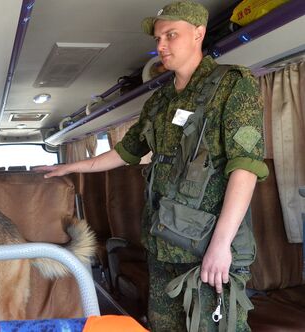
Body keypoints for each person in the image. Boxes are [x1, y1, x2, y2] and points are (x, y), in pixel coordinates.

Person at [35, 1, 268, 331]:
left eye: (171, 35)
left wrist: (220, 245)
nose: (161, 46)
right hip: (163, 243)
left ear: (198, 33)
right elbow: (127, 151)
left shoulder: (233, 85)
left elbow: (245, 168)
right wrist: (72, 168)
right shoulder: (160, 101)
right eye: (158, 38)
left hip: (208, 246)